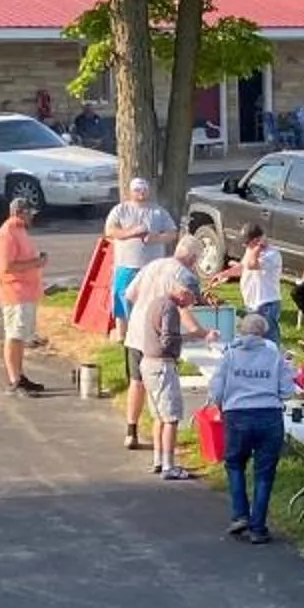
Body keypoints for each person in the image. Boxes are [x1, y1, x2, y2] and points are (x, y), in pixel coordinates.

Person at [209, 313, 291, 544]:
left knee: (235, 464)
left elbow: (216, 388)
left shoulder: (230, 355)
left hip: (237, 414)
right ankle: (258, 527)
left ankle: (239, 514)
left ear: (241, 331)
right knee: (264, 473)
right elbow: (287, 390)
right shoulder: (274, 355)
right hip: (269, 415)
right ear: (264, 332)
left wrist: (220, 404)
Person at [118, 235, 203, 451]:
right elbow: (183, 308)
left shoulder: (153, 265)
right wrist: (198, 332)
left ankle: (131, 430)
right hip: (158, 337)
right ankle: (164, 438)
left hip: (137, 331)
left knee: (136, 382)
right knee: (162, 386)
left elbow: (128, 294)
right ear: (193, 258)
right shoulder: (183, 275)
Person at [126, 270, 200, 481]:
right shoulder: (170, 308)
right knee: (171, 417)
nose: (190, 303)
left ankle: (159, 460)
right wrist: (182, 342)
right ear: (183, 292)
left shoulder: (156, 302)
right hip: (162, 366)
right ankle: (169, 466)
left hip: (147, 363)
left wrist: (186, 337)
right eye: (192, 298)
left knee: (159, 415)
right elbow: (168, 339)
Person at [0, 196, 49, 395]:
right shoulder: (6, 234)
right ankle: (14, 380)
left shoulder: (20, 230)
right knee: (14, 336)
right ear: (18, 213)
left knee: (21, 336)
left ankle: (20, 375)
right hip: (14, 293)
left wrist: (36, 260)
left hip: (26, 292)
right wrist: (36, 264)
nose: (32, 218)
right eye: (29, 214)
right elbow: (6, 267)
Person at [103, 178, 178, 323]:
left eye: (144, 189)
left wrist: (156, 238)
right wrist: (132, 232)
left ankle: (150, 326)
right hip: (126, 264)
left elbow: (172, 233)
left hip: (152, 267)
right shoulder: (120, 210)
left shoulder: (158, 211)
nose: (141, 193)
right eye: (137, 190)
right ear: (130, 192)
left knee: (152, 297)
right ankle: (122, 334)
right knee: (122, 297)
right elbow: (110, 231)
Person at [222, 224, 285, 337]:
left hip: (266, 304)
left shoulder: (272, 254)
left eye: (247, 242)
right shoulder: (250, 251)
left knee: (268, 338)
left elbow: (251, 265)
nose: (245, 245)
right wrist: (224, 274)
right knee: (253, 338)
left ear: (257, 240)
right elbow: (244, 267)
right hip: (252, 303)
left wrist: (257, 249)